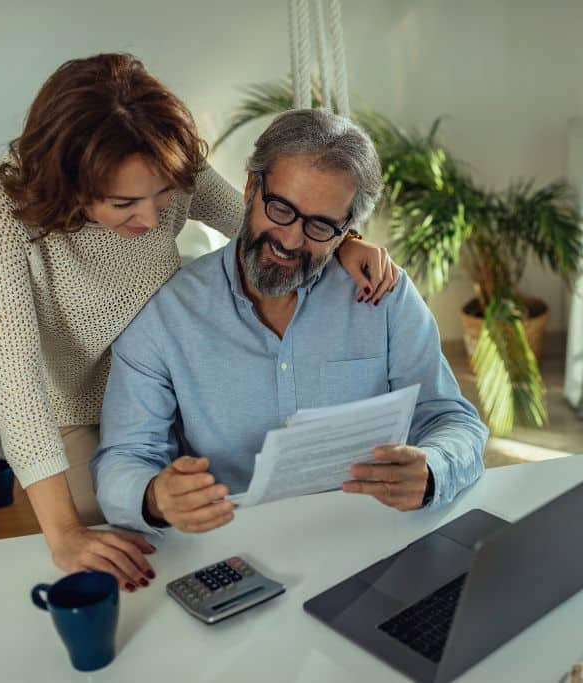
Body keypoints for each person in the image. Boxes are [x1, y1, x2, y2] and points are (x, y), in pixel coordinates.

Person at [0, 54, 399, 592]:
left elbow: (265, 223)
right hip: (75, 410)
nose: (151, 221)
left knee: (206, 540)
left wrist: (345, 243)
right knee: (117, 566)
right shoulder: (0, 202)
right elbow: (15, 385)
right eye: (123, 202)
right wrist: (65, 534)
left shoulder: (166, 160)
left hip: (167, 382)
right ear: (70, 180)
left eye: (163, 195)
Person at [91, 108, 488, 535]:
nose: (291, 240)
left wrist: (432, 469)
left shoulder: (384, 296)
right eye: (281, 209)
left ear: (347, 229)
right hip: (232, 543)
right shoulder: (166, 316)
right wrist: (154, 496)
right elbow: (123, 458)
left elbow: (453, 419)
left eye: (320, 226)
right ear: (250, 188)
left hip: (370, 533)